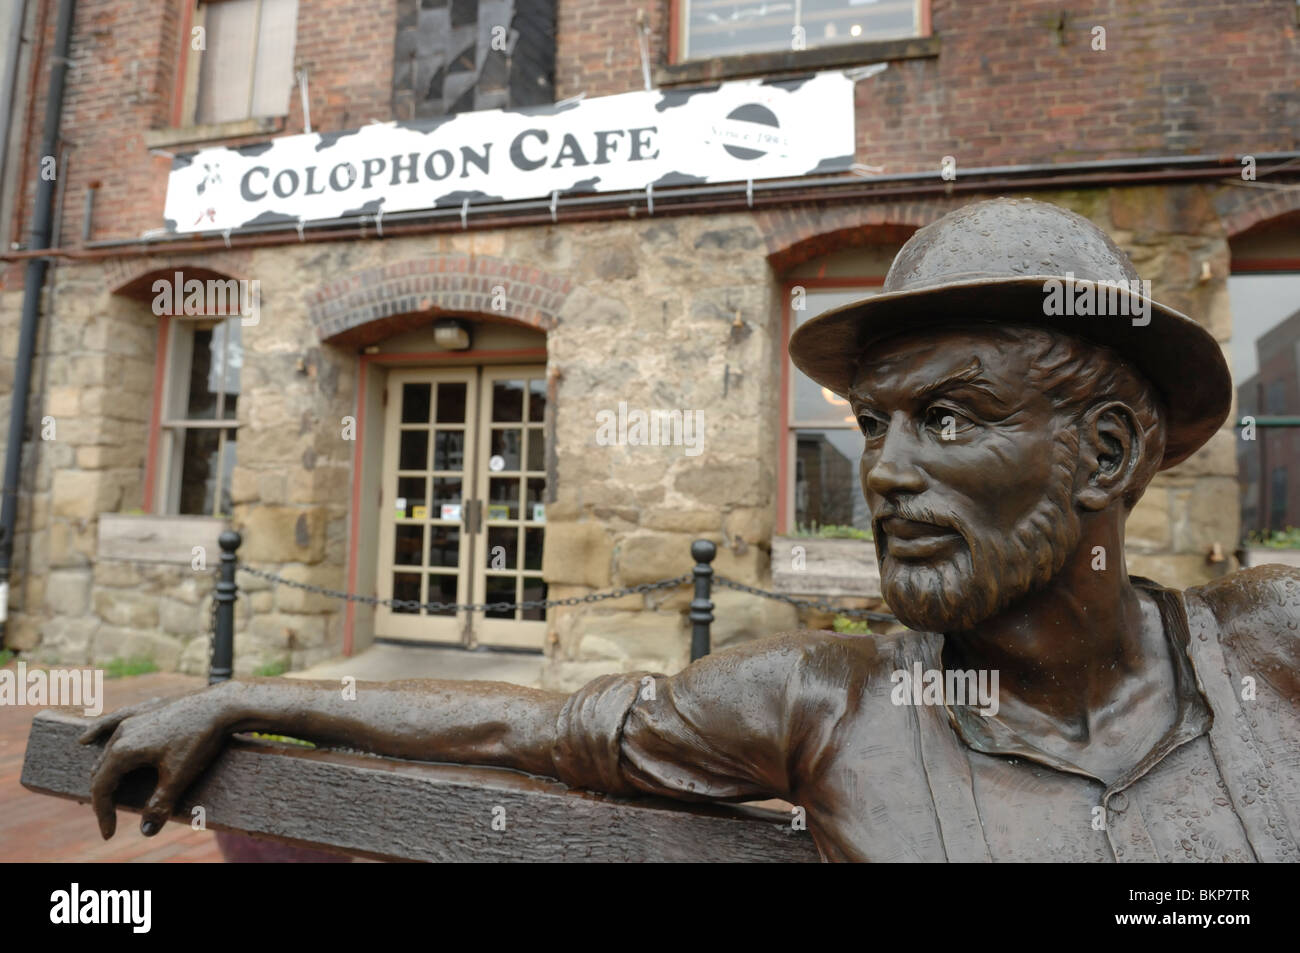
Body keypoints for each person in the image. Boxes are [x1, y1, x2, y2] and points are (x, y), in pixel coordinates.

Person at [81, 198, 1300, 862]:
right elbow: (530, 722)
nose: (883, 470)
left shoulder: (1272, 649)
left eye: (943, 416)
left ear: (1106, 452)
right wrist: (243, 699)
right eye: (872, 424)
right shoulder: (832, 697)